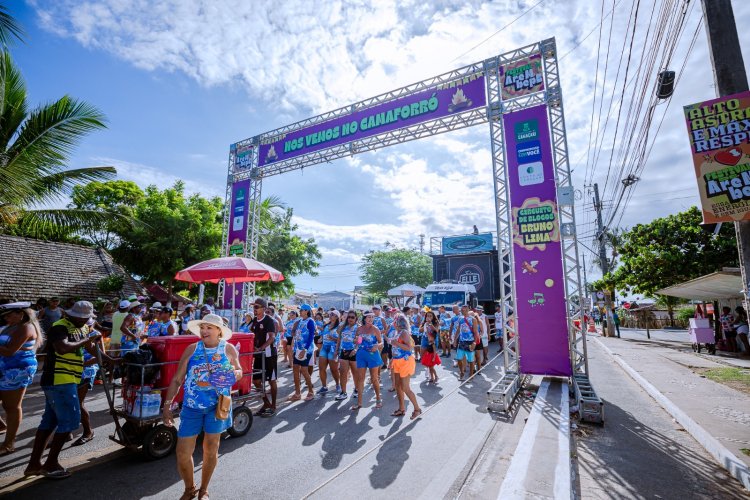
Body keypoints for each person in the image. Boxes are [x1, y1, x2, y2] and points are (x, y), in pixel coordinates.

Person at [25, 301, 115, 479]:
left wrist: (112, 361)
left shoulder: (82, 329)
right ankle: (50, 464)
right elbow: (63, 348)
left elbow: (91, 348)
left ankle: (34, 465)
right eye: (80, 318)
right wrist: (87, 339)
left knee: (49, 422)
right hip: (59, 380)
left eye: (85, 319)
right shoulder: (59, 327)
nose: (82, 321)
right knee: (70, 421)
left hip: (67, 380)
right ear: (71, 314)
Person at [162, 314, 242, 500]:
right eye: (203, 327)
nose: (204, 331)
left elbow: (239, 370)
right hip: (192, 407)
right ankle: (189, 488)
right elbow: (177, 379)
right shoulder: (192, 349)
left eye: (209, 327)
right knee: (182, 452)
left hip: (217, 406)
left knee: (211, 449)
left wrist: (234, 374)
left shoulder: (228, 349)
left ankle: (203, 489)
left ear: (219, 331)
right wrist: (167, 406)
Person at [0, 302, 41, 454]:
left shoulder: (26, 327)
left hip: (17, 370)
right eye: (5, 316)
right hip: (5, 367)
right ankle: (3, 427)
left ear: (21, 314)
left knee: (11, 407)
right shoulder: (9, 327)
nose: (7, 318)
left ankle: (9, 444)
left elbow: (10, 351)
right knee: (8, 406)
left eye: (9, 315)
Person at [72, 318, 106, 447]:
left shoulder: (96, 334)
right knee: (69, 401)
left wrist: (84, 364)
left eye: (88, 324)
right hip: (72, 369)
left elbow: (101, 356)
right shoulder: (75, 332)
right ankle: (67, 431)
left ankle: (88, 432)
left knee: (78, 403)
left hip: (87, 370)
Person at [390, 313, 422, 420]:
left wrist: (396, 343)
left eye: (394, 321)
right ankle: (401, 408)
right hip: (397, 361)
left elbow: (408, 348)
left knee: (405, 387)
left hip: (405, 361)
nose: (393, 323)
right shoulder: (397, 332)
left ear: (398, 323)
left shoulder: (404, 333)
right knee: (398, 387)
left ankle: (417, 409)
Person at [250, 298, 278, 416]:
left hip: (269, 354)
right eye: (254, 307)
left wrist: (261, 348)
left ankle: (273, 406)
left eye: (257, 307)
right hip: (258, 354)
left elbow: (272, 337)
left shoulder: (269, 320)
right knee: (256, 380)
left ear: (264, 308)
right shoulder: (255, 320)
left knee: (272, 380)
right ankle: (266, 402)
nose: (254, 309)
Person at [352, 312, 383, 411]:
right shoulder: (359, 329)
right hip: (361, 355)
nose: (371, 319)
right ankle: (359, 403)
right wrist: (356, 341)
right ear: (364, 318)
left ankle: (378, 399)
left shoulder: (375, 329)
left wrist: (377, 346)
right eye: (369, 317)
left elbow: (381, 343)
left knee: (374, 378)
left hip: (373, 355)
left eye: (372, 317)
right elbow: (357, 342)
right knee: (360, 378)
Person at [290, 304, 316, 402]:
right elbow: (295, 334)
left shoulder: (310, 321)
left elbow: (311, 337)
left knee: (304, 371)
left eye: (301, 310)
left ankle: (311, 391)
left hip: (306, 349)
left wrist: (305, 349)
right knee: (295, 369)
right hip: (297, 349)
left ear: (306, 311)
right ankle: (297, 393)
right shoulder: (300, 321)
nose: (300, 311)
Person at [335, 310, 359, 401]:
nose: (350, 319)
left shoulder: (358, 328)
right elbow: (339, 339)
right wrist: (336, 350)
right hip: (343, 351)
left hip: (354, 353)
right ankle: (343, 392)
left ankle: (356, 389)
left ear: (356, 318)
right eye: (349, 317)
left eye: (352, 317)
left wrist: (356, 349)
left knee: (355, 373)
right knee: (343, 372)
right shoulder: (343, 327)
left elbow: (360, 341)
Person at [317, 311, 341, 395]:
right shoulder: (326, 326)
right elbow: (322, 335)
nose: (330, 316)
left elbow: (341, 340)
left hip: (333, 349)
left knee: (333, 369)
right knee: (321, 368)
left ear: (337, 317)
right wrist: (320, 338)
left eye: (333, 315)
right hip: (324, 348)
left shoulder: (339, 327)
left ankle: (338, 385)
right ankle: (324, 387)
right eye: (330, 314)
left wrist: (333, 339)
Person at [454, 304, 479, 381]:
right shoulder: (460, 319)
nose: (462, 311)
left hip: (470, 342)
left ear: (468, 310)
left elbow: (475, 332)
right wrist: (455, 340)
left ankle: (471, 375)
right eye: (461, 309)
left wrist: (474, 342)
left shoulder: (473, 319)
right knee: (459, 358)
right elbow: (458, 330)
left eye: (464, 310)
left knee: (471, 360)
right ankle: (461, 372)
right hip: (461, 342)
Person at [420, 310, 441, 383]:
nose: (428, 317)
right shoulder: (424, 323)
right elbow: (420, 330)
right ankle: (430, 372)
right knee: (423, 357)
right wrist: (425, 325)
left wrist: (431, 325)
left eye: (430, 316)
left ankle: (433, 375)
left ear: (433, 317)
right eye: (427, 316)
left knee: (431, 359)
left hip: (432, 341)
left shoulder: (436, 323)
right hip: (425, 339)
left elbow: (436, 331)